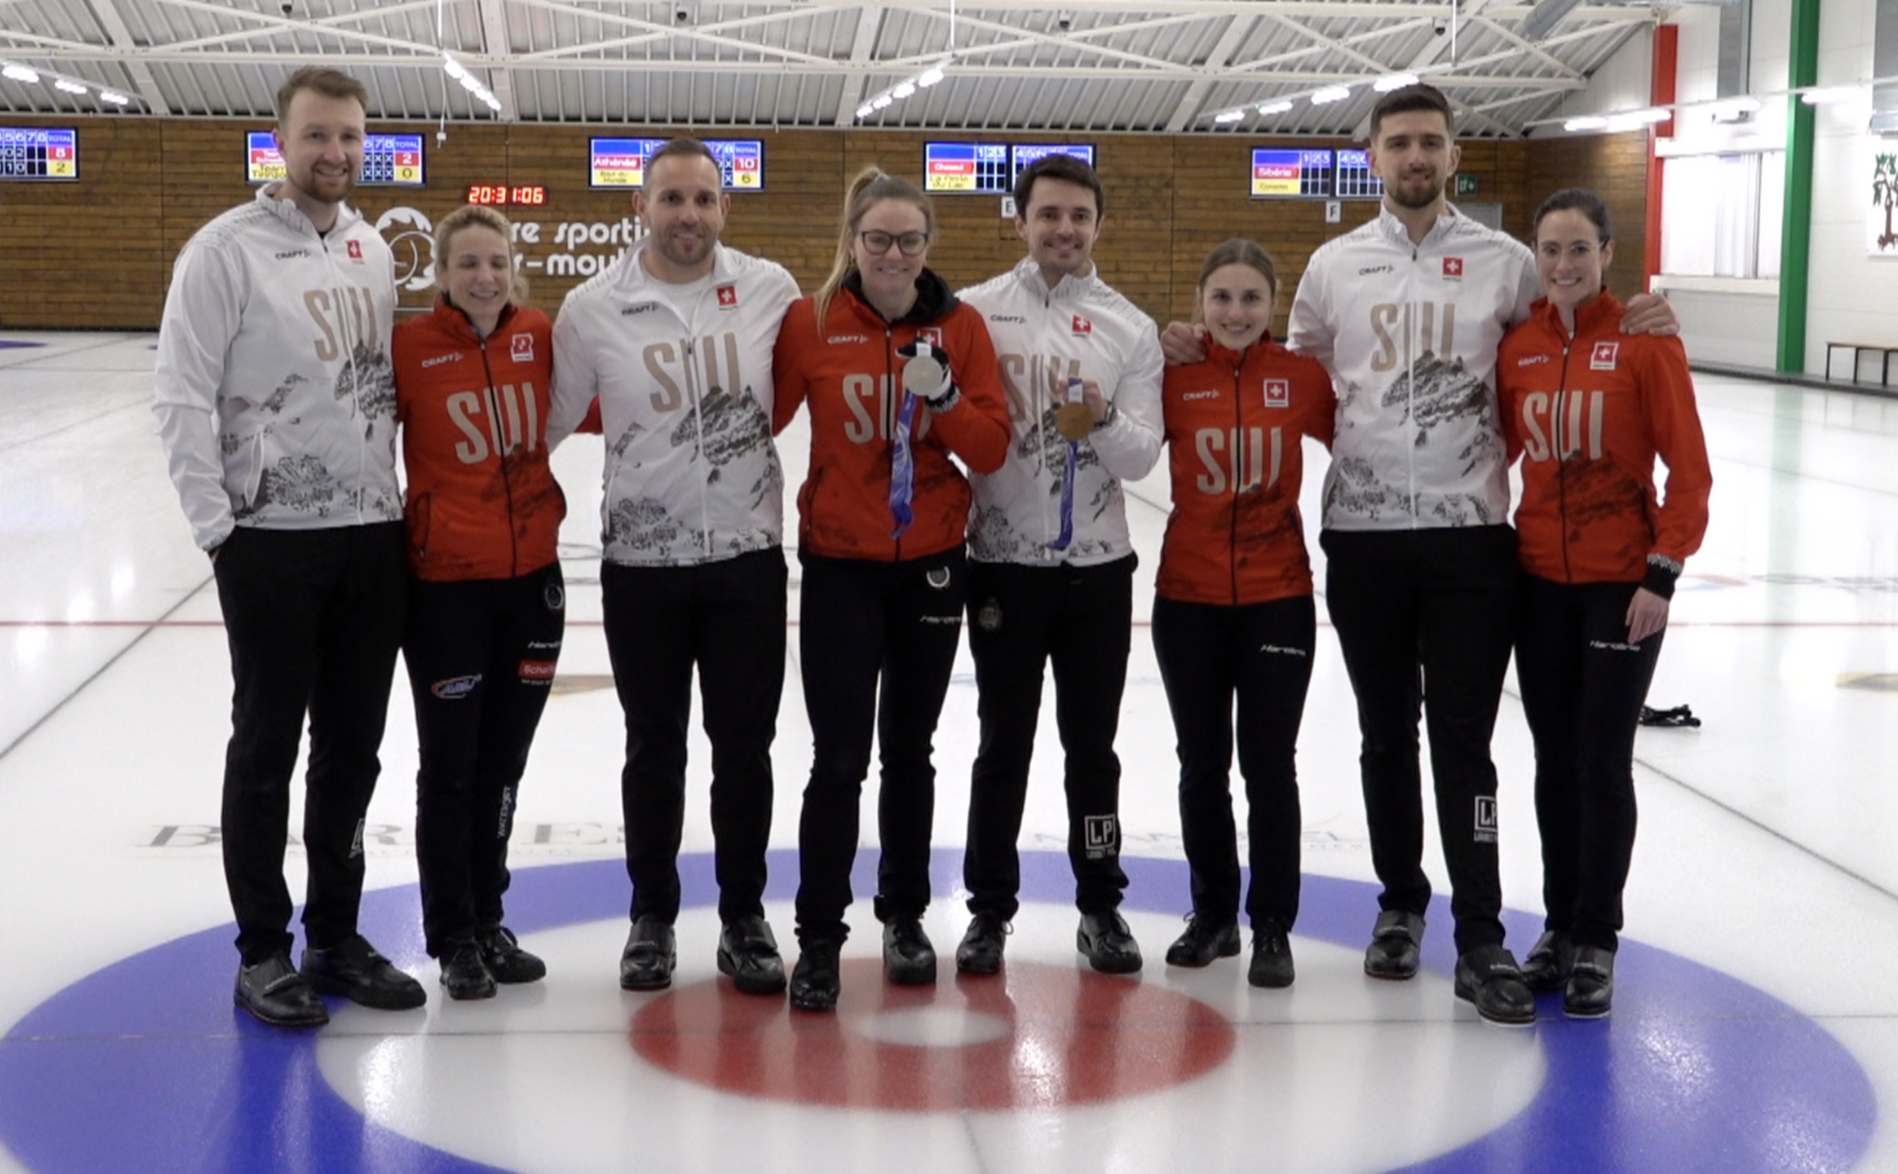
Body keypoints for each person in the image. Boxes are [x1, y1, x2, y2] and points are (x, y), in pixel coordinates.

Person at [1161, 82, 1676, 1027]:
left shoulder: (1507, 263)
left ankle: (1481, 934)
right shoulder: (1330, 266)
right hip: (1361, 542)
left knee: (1465, 744)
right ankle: (1401, 902)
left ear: (1451, 153)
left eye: (1431, 142)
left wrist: (1634, 319)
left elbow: (1560, 329)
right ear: (1372, 154)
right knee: (1385, 734)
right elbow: (1287, 369)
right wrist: (1191, 341)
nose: (1416, 158)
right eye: (1399, 143)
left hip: (1472, 542)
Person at [152, 65, 422, 1028]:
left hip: (369, 535)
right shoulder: (223, 252)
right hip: (269, 539)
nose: (336, 154)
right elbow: (179, 395)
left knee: (354, 750)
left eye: (350, 137)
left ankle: (337, 937)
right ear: (280, 142)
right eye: (317, 136)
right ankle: (263, 948)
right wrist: (219, 532)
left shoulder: (371, 248)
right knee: (267, 746)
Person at [548, 138, 801, 997]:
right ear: (639, 208)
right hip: (641, 564)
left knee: (745, 748)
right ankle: (651, 918)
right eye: (670, 199)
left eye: (703, 199)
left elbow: (800, 391)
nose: (687, 215)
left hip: (745, 559)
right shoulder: (591, 306)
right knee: (653, 748)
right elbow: (546, 421)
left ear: (725, 209)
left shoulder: (770, 289)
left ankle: (743, 917)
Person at [771, 168, 1011, 1012]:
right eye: (878, 239)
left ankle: (904, 917)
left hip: (933, 560)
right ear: (852, 242)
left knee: (909, 751)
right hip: (839, 560)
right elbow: (757, 416)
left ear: (928, 247)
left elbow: (988, 449)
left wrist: (942, 391)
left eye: (910, 240)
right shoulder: (811, 322)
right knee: (837, 759)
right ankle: (820, 940)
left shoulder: (961, 325)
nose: (894, 254)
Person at [1499, 189, 1711, 1018]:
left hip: (1621, 588)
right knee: (1555, 763)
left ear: (1607, 254)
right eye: (1549, 250)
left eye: (1578, 249)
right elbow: (1495, 451)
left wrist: (1661, 574)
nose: (1562, 265)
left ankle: (1597, 937)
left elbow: (1688, 471)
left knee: (1601, 761)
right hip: (1538, 585)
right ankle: (1557, 926)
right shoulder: (1517, 347)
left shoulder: (1645, 344)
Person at [952, 155, 1163, 977]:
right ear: (1020, 219)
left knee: (1092, 747)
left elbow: (1143, 458)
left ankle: (1101, 903)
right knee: (1001, 745)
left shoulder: (1129, 327)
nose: (1064, 230)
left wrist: (1100, 419)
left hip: (1098, 569)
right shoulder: (975, 313)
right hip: (1003, 565)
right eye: (1049, 215)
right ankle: (988, 912)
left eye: (1079, 216)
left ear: (1098, 226)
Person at [393, 204, 579, 999]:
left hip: (532, 581)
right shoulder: (408, 345)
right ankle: (451, 933)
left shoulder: (539, 333)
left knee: (504, 764)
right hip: (446, 591)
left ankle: (490, 917)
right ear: (439, 275)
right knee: (452, 769)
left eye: (496, 263)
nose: (484, 277)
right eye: (467, 264)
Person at [1153, 240, 1334, 989]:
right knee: (1202, 766)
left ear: (1274, 305)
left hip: (1277, 598)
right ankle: (1214, 915)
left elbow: (1366, 434)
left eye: (1251, 298)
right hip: (1187, 598)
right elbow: (1125, 445)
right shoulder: (1173, 375)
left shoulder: (1299, 378)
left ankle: (1271, 926)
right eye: (1221, 298)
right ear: (1200, 303)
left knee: (1269, 769)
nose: (1235, 313)